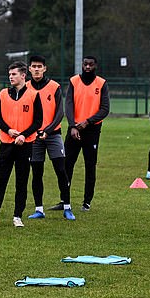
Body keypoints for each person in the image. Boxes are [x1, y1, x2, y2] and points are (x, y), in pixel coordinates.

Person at [0, 61, 39, 228]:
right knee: (0, 180)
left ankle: (17, 216)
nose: (10, 77)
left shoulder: (33, 95)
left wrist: (24, 135)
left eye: (14, 74)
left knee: (21, 181)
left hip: (24, 145)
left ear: (23, 76)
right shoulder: (3, 94)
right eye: (10, 74)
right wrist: (9, 130)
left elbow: (38, 121)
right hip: (6, 143)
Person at [27, 55, 74, 221]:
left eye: (40, 66)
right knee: (37, 172)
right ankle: (39, 209)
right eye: (34, 66)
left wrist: (47, 130)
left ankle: (67, 207)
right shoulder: (25, 88)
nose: (37, 69)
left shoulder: (54, 87)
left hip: (53, 135)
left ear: (45, 68)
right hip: (34, 137)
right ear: (29, 69)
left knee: (61, 171)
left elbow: (59, 112)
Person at [64, 55, 110, 211]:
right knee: (67, 164)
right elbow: (68, 105)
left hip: (91, 130)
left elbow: (105, 109)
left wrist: (88, 121)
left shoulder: (101, 83)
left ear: (95, 65)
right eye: (85, 64)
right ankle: (65, 200)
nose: (87, 67)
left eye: (90, 64)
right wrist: (73, 126)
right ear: (82, 65)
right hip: (74, 130)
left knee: (90, 166)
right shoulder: (74, 81)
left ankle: (87, 201)